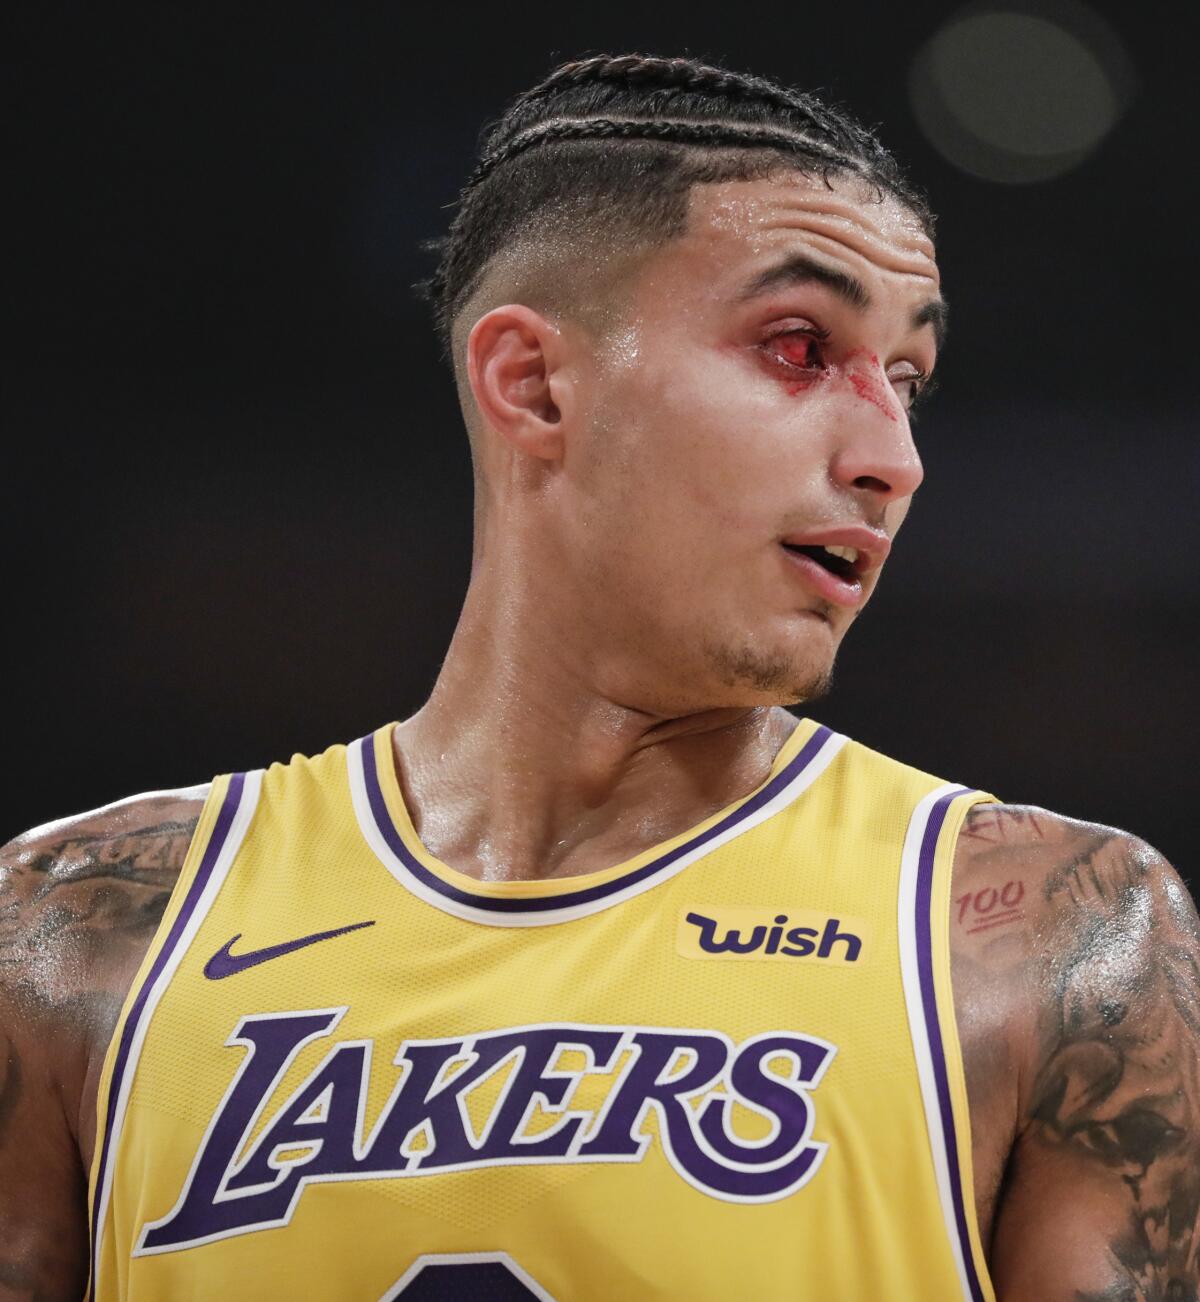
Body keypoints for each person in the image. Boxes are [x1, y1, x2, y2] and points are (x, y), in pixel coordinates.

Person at [1, 52, 1196, 1302]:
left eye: (908, 380)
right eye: (799, 349)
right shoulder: (79, 935)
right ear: (532, 382)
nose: (893, 456)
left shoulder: (1045, 934)